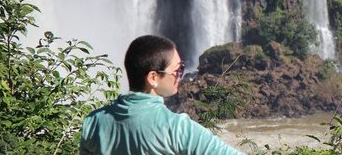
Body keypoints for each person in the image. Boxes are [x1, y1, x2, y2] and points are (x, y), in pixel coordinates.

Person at [80, 35, 244, 155]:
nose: (181, 75)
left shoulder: (93, 123)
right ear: (153, 78)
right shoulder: (176, 128)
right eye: (178, 70)